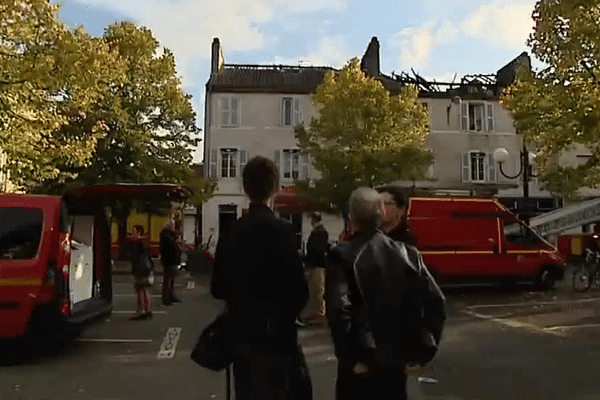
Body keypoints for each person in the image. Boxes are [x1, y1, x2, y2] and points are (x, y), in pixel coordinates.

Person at [326, 187, 445, 400]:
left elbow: (339, 310)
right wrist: (422, 352)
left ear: (351, 217)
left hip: (361, 366)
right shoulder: (407, 254)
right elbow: (435, 302)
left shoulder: (341, 255)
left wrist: (352, 358)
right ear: (381, 215)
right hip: (394, 364)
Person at [211, 156, 313, 400]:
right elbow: (300, 293)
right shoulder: (285, 232)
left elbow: (217, 287)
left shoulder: (232, 232)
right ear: (276, 188)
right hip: (278, 338)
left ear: (245, 189)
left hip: (243, 338)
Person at [301, 212, 329, 325]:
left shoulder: (320, 232)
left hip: (317, 265)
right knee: (314, 290)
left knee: (317, 290)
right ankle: (316, 313)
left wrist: (309, 266)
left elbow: (316, 250)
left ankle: (319, 314)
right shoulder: (319, 232)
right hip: (317, 265)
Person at [129, 225, 154, 320]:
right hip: (146, 268)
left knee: (140, 290)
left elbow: (135, 258)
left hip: (140, 269)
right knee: (145, 290)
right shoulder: (145, 243)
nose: (132, 234)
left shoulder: (137, 243)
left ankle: (141, 311)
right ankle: (148, 310)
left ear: (139, 233)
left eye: (134, 232)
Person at [160, 219, 182, 305]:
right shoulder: (167, 236)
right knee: (168, 280)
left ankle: (170, 296)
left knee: (170, 280)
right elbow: (169, 248)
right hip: (169, 260)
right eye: (173, 225)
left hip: (170, 260)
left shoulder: (167, 235)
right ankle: (166, 298)